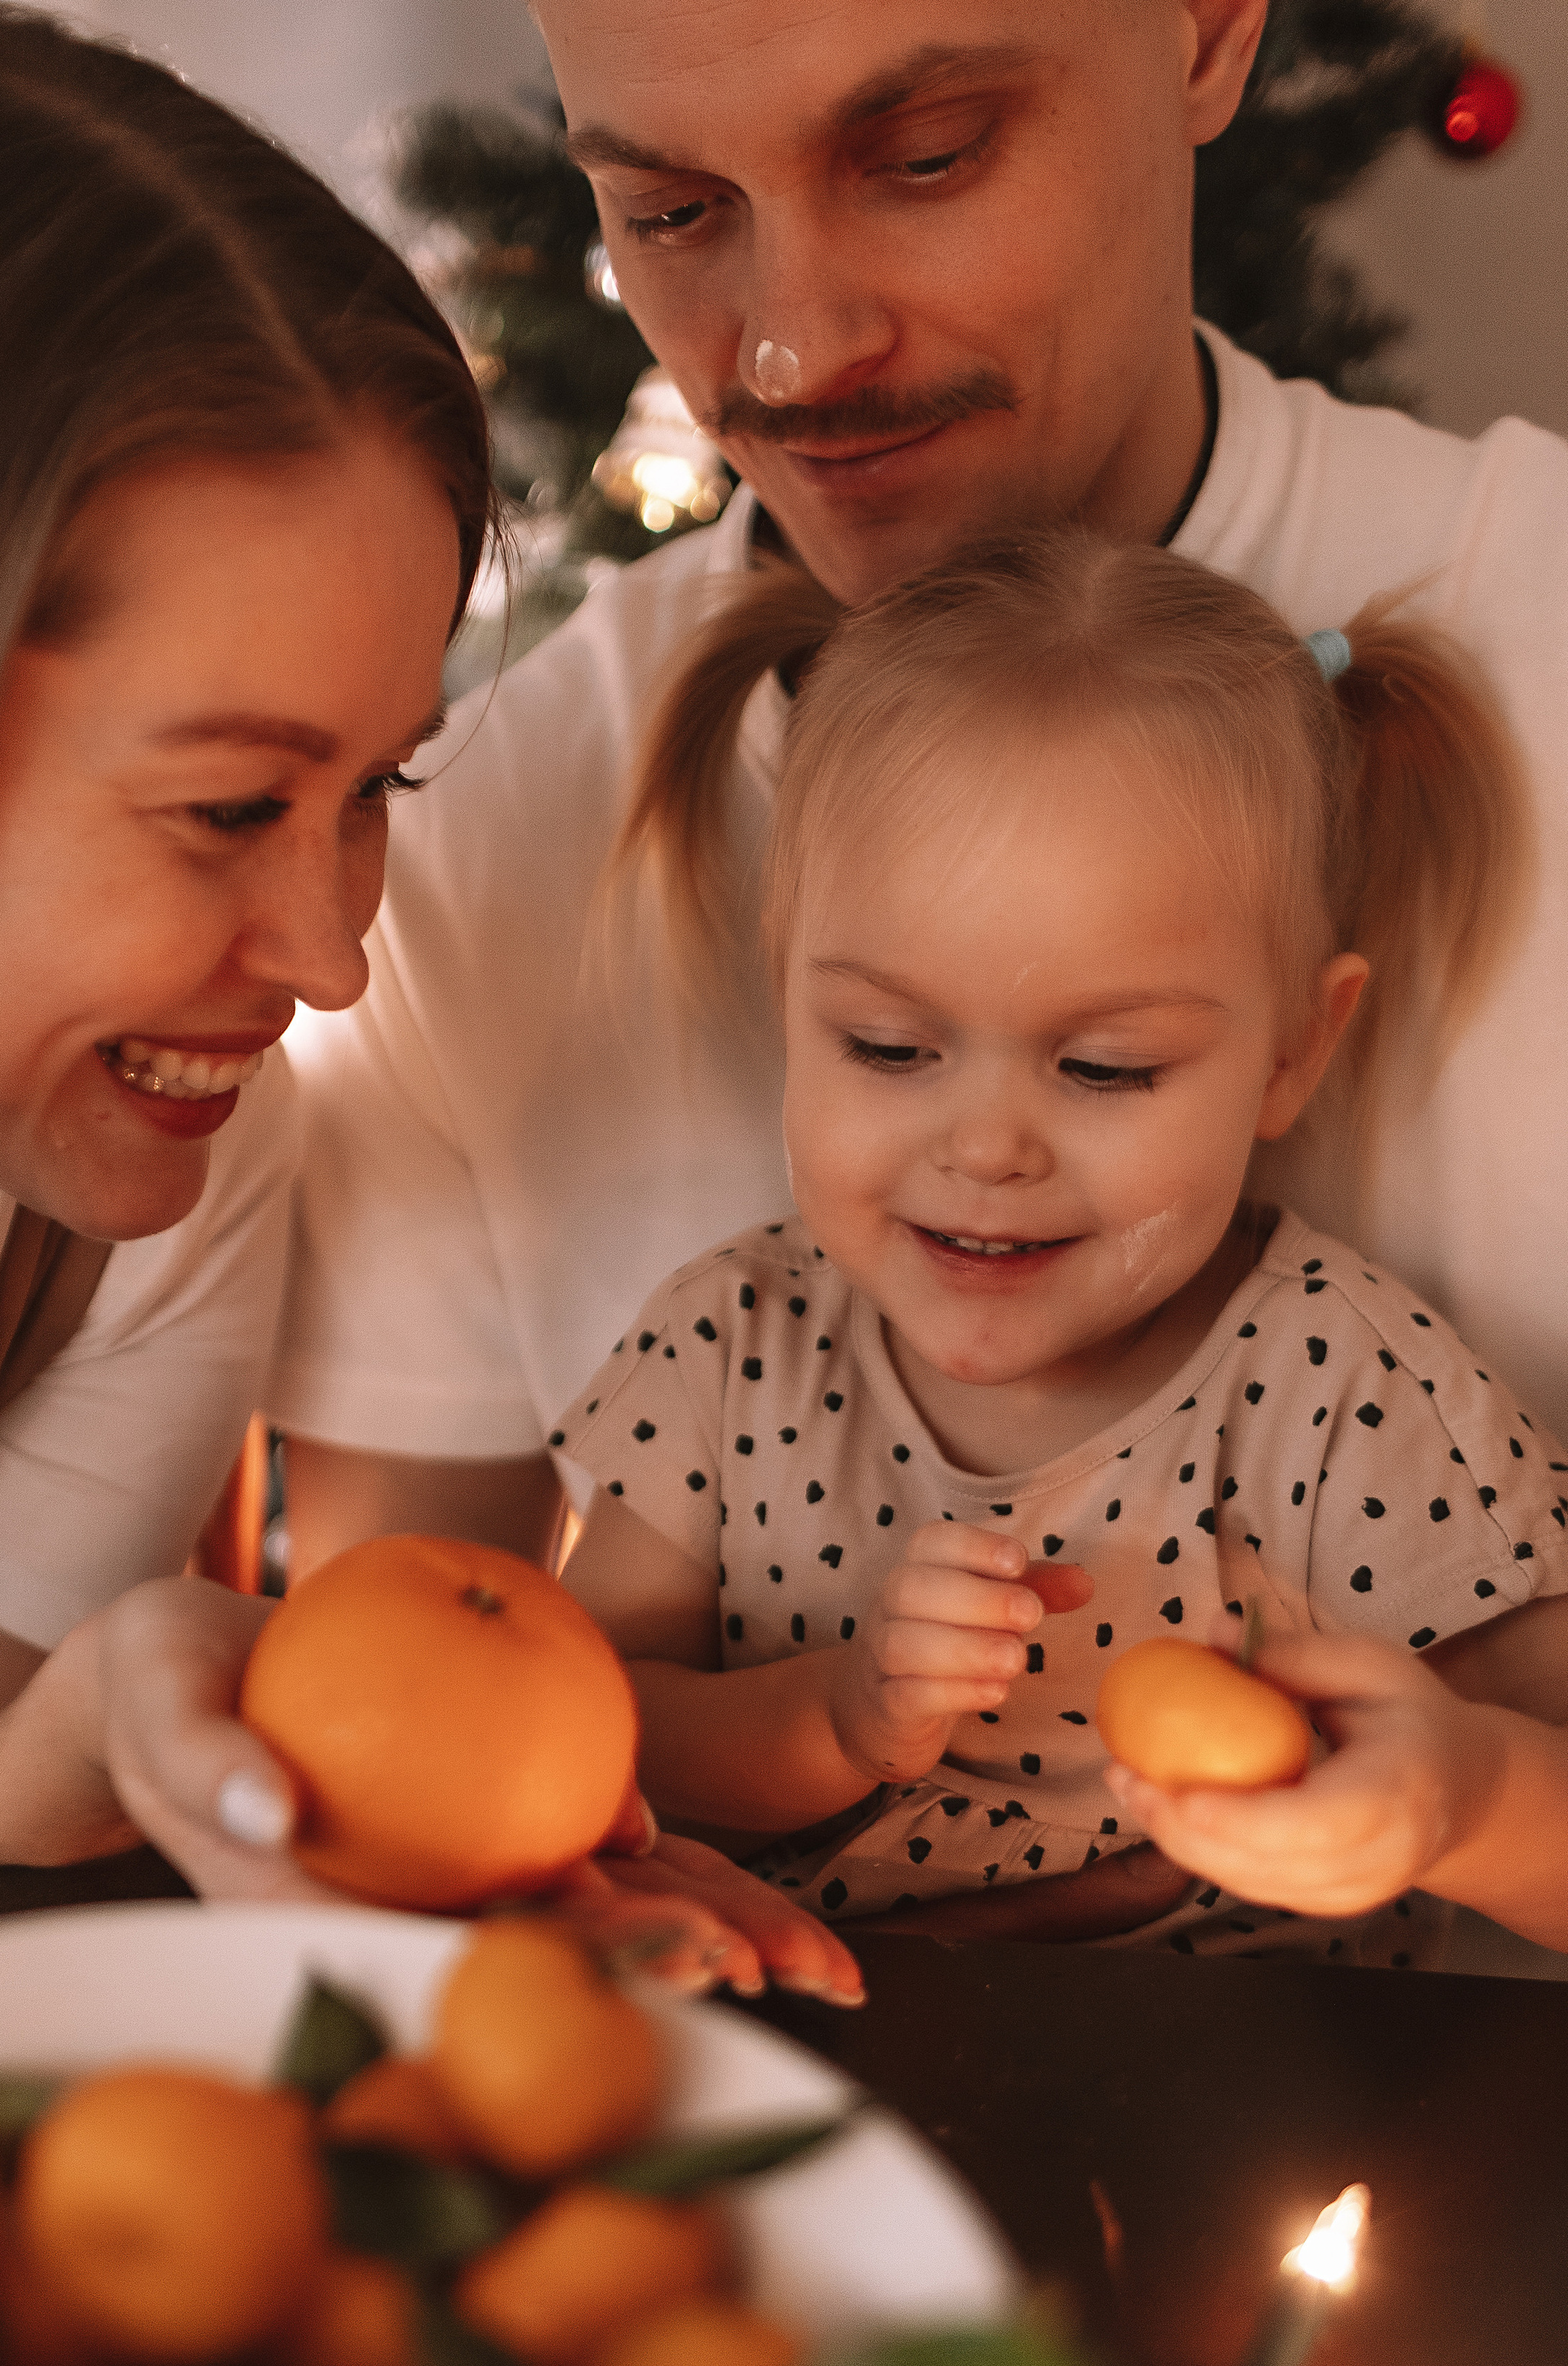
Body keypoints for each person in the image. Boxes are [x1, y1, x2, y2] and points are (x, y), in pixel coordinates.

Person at [273, 0, 1568, 1611]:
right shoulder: (475, 848)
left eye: (925, 158)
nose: (789, 354)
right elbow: (406, 1727)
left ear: (1208, 33)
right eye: (668, 216)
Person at [551, 529, 1568, 1964]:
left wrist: (1463, 1803)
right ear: (785, 1001)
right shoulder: (730, 1346)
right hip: (815, 2086)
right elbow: (579, 1725)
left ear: (1293, 1051)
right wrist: (829, 1719)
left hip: (1239, 2122)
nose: (985, 1148)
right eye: (887, 1046)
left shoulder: (1343, 1387)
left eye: (1101, 1069)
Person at [0, 0, 482, 1854]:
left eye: (379, 783)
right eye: (228, 807)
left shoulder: (160, 1184)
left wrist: (70, 1747)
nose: (327, 961)